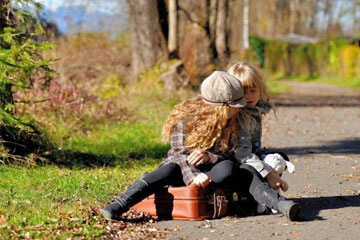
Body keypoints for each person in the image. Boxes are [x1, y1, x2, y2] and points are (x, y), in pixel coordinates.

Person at [100, 71, 251, 220]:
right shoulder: (185, 119)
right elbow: (178, 154)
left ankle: (196, 194)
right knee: (169, 169)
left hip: (209, 173)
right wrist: (193, 177)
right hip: (181, 168)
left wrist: (208, 157)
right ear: (222, 107)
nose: (238, 109)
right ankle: (120, 204)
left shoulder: (233, 121)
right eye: (234, 106)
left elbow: (230, 153)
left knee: (228, 167)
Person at [226, 61, 300, 220]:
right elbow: (242, 153)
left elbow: (253, 148)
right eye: (244, 91)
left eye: (253, 90)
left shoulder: (254, 111)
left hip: (248, 158)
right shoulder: (238, 116)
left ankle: (266, 198)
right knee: (261, 167)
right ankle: (273, 202)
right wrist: (268, 173)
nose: (249, 96)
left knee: (278, 158)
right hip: (235, 162)